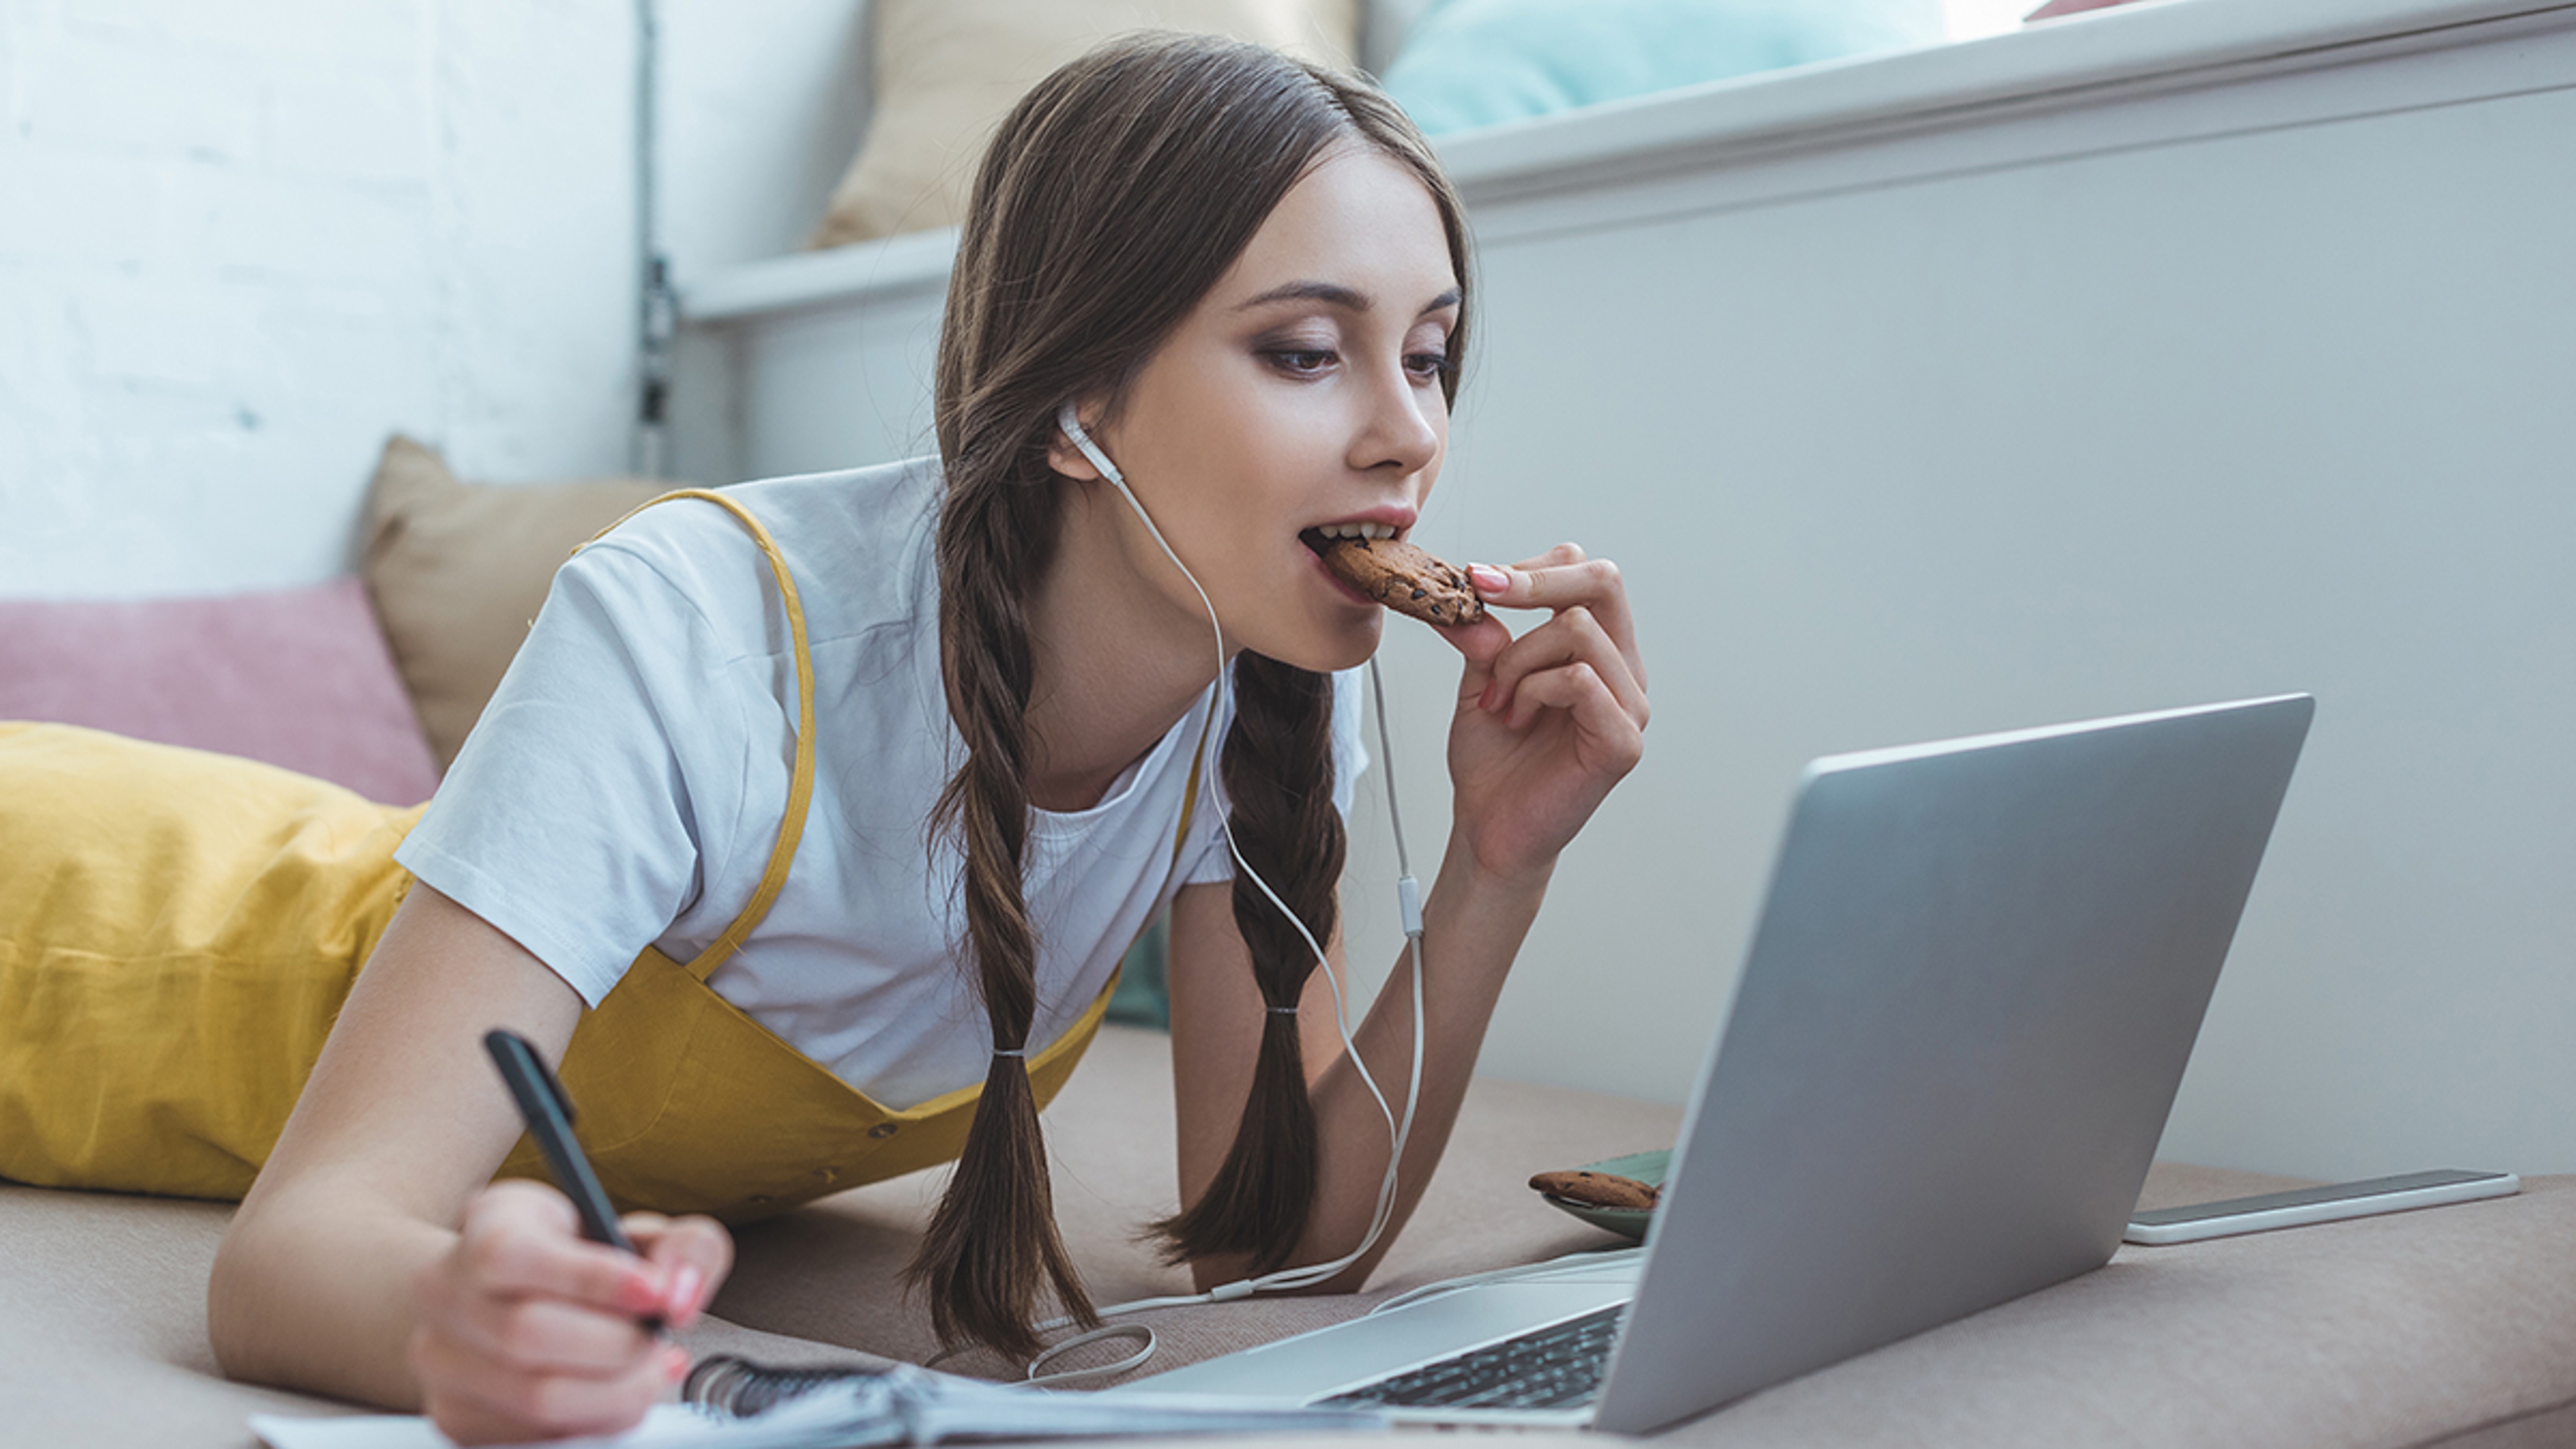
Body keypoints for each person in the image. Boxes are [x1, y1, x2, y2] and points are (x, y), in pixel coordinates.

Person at [0, 32, 1647, 1444]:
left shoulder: (1263, 687)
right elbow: (295, 1256)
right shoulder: (698, 634)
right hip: (82, 925)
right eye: (1306, 351)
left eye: (1429, 356)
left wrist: (1503, 865)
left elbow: (1269, 1245)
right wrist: (453, 1313)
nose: (1411, 431)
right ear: (1079, 399)